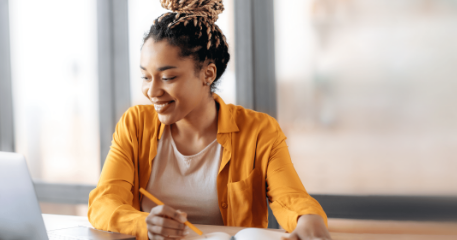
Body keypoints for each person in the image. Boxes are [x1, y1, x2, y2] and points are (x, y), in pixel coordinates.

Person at [88, 0, 330, 239]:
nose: (152, 91)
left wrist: (308, 219)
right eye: (146, 77)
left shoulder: (259, 131)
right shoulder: (134, 125)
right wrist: (144, 224)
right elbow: (104, 202)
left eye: (168, 77)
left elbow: (290, 198)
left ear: (208, 73)